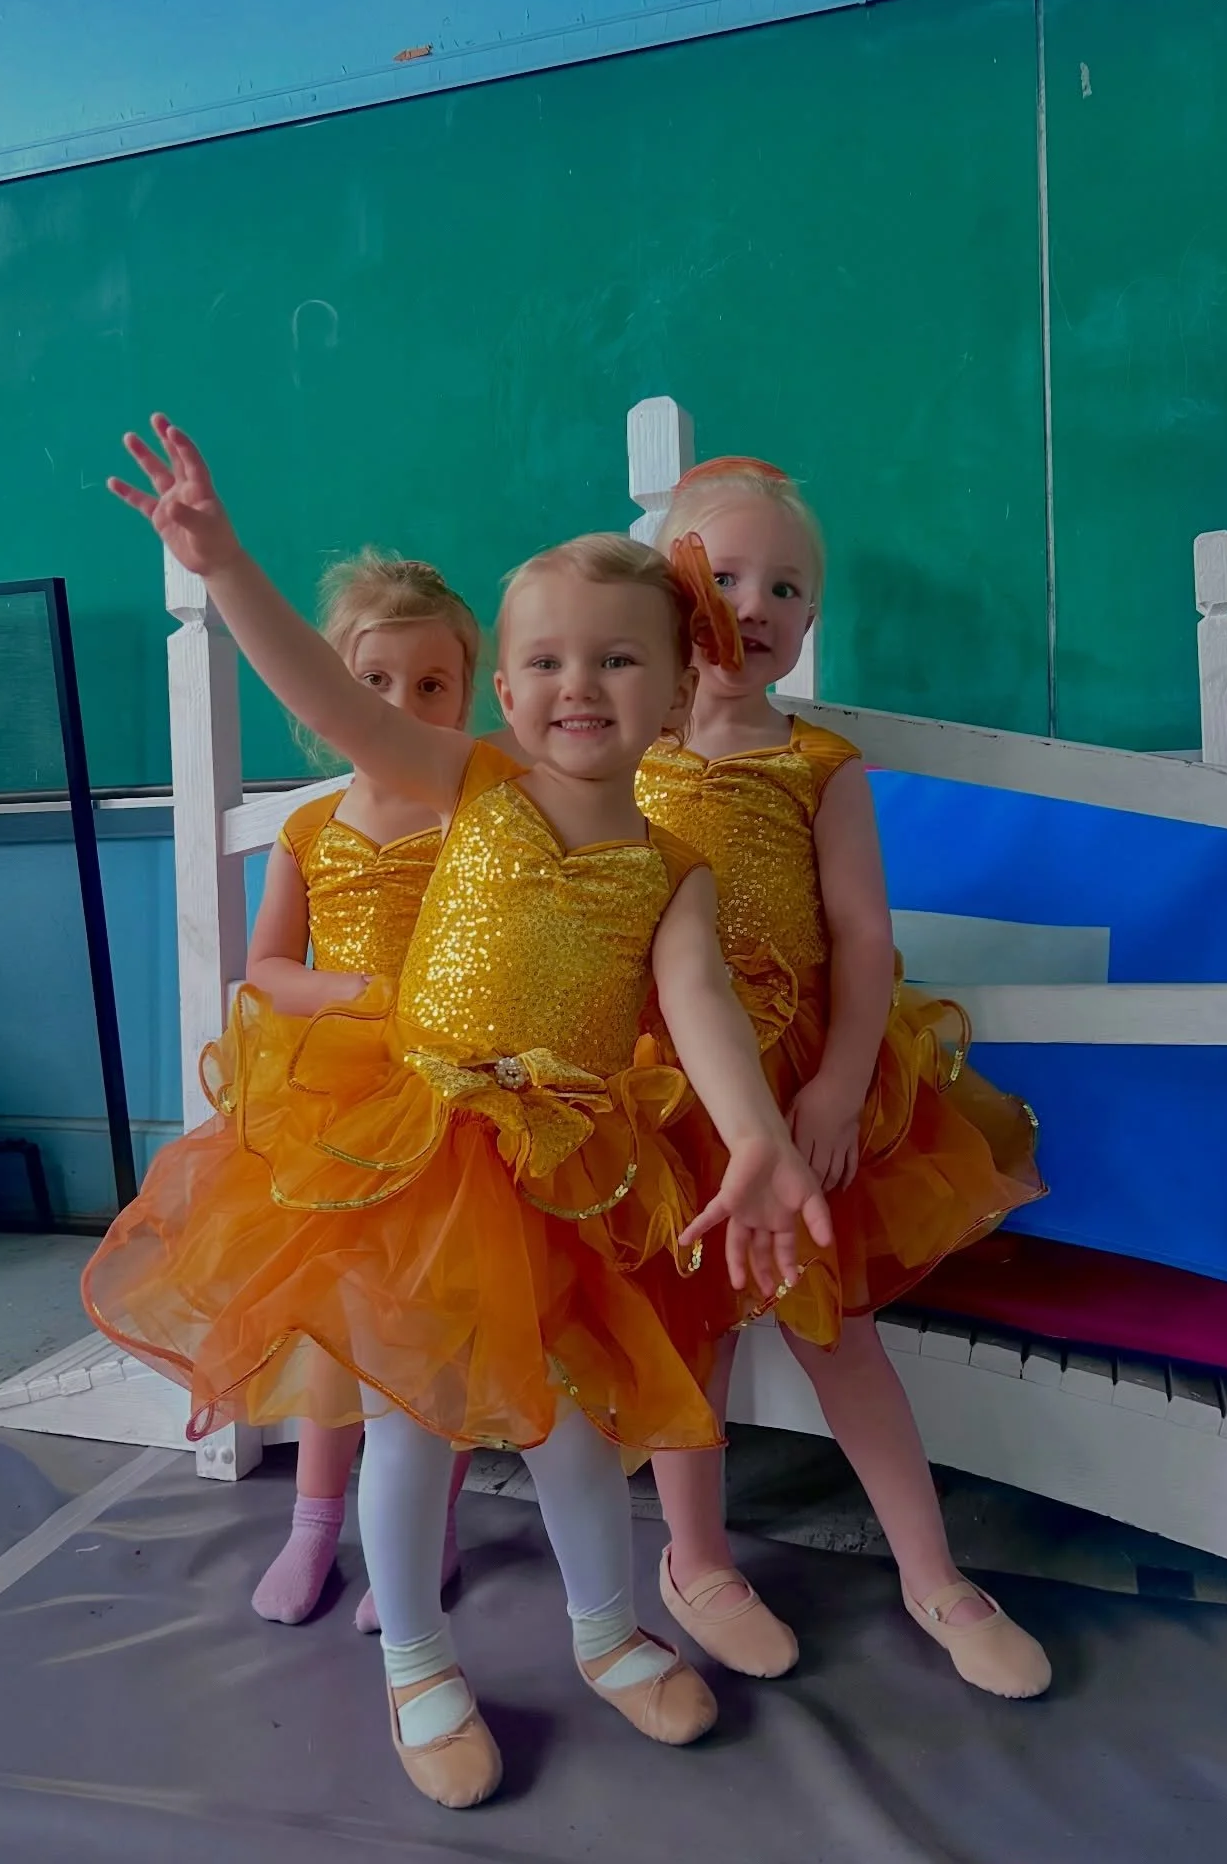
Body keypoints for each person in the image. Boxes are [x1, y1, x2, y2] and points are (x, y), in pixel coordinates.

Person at [84, 417, 833, 1808]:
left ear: (678, 689)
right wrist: (224, 561)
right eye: (543, 660)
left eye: (617, 658)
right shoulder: (472, 781)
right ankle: (418, 1661)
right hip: (416, 1147)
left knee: (568, 1422)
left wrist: (759, 1136)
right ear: (505, 687)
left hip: (564, 1163)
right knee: (415, 1422)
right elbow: (335, 692)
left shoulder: (674, 870)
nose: (576, 686)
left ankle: (607, 1628)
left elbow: (710, 1015)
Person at [635, 456, 1051, 1700]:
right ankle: (694, 1559)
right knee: (686, 1329)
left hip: (806, 1082)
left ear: (813, 621)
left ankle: (932, 1573)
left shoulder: (819, 763)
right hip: (668, 1091)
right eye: (725, 575)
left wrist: (837, 1086)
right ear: (667, 589)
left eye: (789, 586)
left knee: (842, 1333)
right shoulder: (622, 751)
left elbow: (866, 935)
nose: (755, 603)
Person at [246, 552, 477, 1631]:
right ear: (333, 692)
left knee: (438, 1334)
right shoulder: (306, 831)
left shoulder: (470, 819)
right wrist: (350, 990)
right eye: (376, 683)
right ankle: (313, 1522)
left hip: (448, 1110)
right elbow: (266, 970)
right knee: (339, 1331)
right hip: (338, 1112)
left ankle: (421, 1537)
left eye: (432, 685)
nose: (403, 706)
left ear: (467, 694)